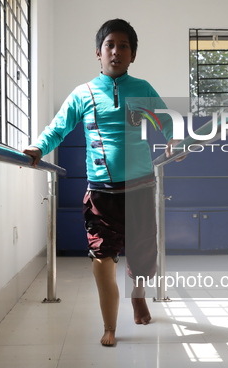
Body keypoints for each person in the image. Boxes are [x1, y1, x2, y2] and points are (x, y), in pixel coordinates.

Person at [23, 19, 178, 347]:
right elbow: (58, 128)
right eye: (110, 45)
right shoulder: (84, 93)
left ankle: (138, 295)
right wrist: (38, 147)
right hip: (101, 192)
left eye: (124, 46)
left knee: (142, 254)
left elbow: (165, 121)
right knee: (100, 259)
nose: (116, 51)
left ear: (132, 55)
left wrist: (174, 141)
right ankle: (110, 325)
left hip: (140, 188)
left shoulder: (143, 89)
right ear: (98, 52)